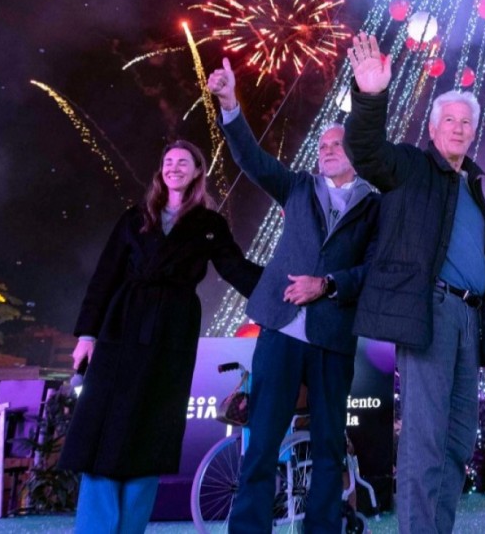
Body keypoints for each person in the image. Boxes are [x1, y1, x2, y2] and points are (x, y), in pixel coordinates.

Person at [343, 32, 485, 533]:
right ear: (433, 128)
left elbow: (461, 250)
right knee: (425, 439)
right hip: (430, 313)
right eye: (450, 121)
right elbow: (368, 152)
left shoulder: (472, 186)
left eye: (467, 122)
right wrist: (371, 96)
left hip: (469, 318)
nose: (459, 129)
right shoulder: (413, 168)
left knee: (459, 440)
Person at [206, 57, 380, 534]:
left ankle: (321, 529)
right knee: (261, 442)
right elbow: (253, 160)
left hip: (333, 337)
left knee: (328, 447)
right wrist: (230, 106)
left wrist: (327, 285)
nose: (325, 150)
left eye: (336, 144)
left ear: (355, 152)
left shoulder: (374, 206)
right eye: (321, 145)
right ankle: (248, 529)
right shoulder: (298, 187)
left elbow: (374, 270)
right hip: (280, 331)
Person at [58, 140, 261, 534]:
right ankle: (95, 529)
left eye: (183, 162)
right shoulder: (134, 217)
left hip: (172, 331)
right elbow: (105, 277)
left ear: (198, 171)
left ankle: (131, 528)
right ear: (160, 171)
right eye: (168, 161)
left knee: (150, 431)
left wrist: (283, 287)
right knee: (104, 428)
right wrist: (86, 334)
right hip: (121, 326)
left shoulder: (209, 225)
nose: (174, 167)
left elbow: (237, 270)